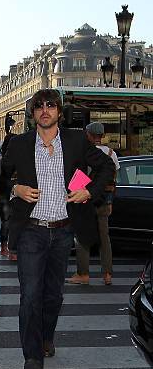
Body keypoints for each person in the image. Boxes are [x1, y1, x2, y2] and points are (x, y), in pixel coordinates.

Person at [0, 88, 115, 369]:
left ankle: (47, 336)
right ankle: (32, 358)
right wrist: (15, 189)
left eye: (51, 105)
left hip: (63, 232)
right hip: (31, 232)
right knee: (30, 295)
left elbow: (107, 167)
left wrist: (88, 191)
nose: (45, 110)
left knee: (53, 296)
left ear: (59, 112)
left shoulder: (76, 140)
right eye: (39, 106)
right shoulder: (20, 144)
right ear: (32, 113)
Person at [67, 121, 120, 286]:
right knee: (105, 238)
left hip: (84, 200)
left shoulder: (83, 151)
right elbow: (112, 180)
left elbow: (74, 177)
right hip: (103, 201)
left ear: (88, 135)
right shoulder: (111, 153)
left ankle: (83, 273)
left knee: (83, 236)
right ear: (102, 136)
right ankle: (107, 274)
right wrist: (110, 201)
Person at [0, 132, 17, 260]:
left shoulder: (3, 159)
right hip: (8, 192)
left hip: (10, 192)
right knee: (8, 220)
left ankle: (7, 247)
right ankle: (8, 248)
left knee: (8, 221)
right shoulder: (4, 160)